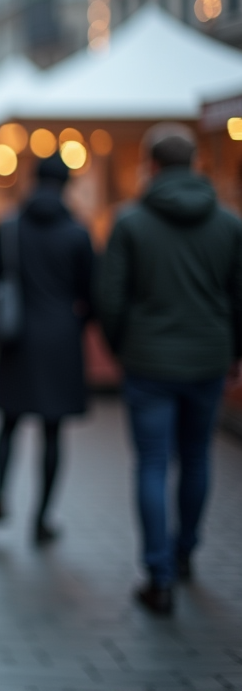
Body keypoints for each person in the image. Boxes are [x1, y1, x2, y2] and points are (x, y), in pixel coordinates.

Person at [98, 123, 242, 616]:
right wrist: (234, 354)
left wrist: (122, 347)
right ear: (195, 163)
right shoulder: (229, 224)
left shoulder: (131, 222)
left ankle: (158, 574)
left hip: (148, 361)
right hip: (208, 357)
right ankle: (185, 554)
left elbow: (110, 298)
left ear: (151, 165)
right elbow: (239, 298)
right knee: (197, 457)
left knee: (154, 463)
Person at [0, 157, 94, 545]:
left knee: (8, 424)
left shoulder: (10, 226)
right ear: (65, 184)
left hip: (17, 338)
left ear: (34, 180)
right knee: (53, 430)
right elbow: (92, 291)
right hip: (61, 340)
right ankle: (42, 517)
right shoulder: (77, 232)